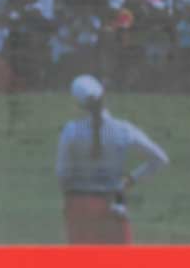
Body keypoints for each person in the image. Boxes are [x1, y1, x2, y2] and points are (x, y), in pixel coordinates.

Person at [56, 75, 168, 243]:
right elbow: (159, 158)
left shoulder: (70, 131)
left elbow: (63, 174)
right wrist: (129, 180)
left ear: (79, 104)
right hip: (112, 203)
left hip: (79, 206)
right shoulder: (124, 130)